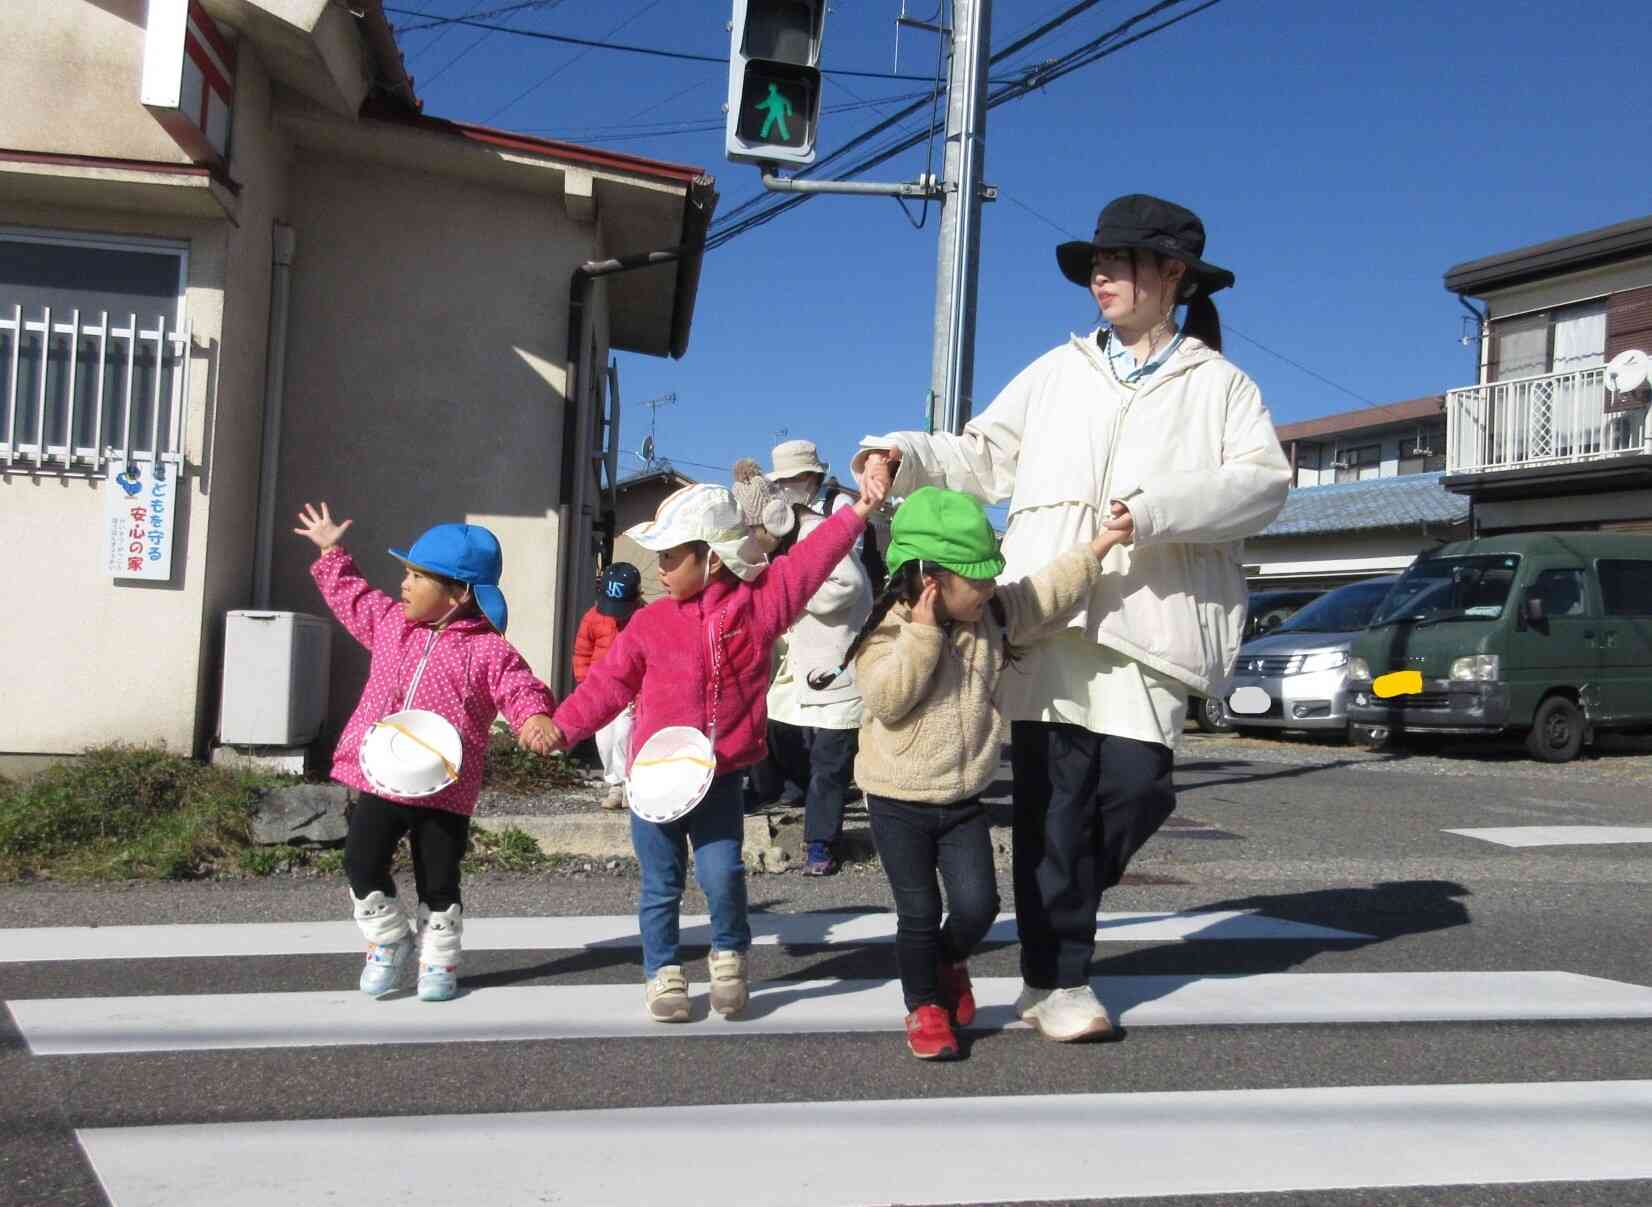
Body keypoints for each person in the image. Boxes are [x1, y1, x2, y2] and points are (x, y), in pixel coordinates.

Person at [853, 194, 1290, 1041]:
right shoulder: (1058, 372)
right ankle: (1059, 978)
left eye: (1122, 260)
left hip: (1149, 621)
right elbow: (980, 455)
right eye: (1097, 260)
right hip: (1046, 611)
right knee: (1053, 806)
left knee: (1138, 789)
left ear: (1174, 276)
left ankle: (1066, 921)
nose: (1101, 274)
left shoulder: (1219, 384)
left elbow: (1263, 483)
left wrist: (1156, 508)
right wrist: (901, 453)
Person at [538, 465, 891, 1022]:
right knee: (661, 883)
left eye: (671, 556)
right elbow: (607, 683)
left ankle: (729, 955)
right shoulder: (649, 623)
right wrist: (563, 726)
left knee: (722, 872)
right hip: (653, 779)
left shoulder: (758, 608)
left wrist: (859, 511)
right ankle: (664, 973)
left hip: (720, 775)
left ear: (712, 556)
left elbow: (809, 561)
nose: (660, 567)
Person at [842, 487, 1132, 1059]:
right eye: (976, 577)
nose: (990, 586)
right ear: (931, 581)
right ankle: (924, 1007)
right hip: (896, 800)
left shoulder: (992, 615)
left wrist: (1102, 543)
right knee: (919, 912)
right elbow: (889, 699)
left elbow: (1047, 593)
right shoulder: (884, 633)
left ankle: (949, 961)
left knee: (979, 907)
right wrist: (924, 635)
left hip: (963, 798)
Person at [295, 502, 559, 1002]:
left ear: (458, 593)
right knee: (360, 860)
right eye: (406, 573)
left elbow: (520, 687)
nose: (405, 584)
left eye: (419, 576)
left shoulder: (489, 651)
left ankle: (439, 959)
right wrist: (331, 551)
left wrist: (535, 718)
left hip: (446, 788)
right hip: (384, 779)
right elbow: (353, 597)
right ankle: (388, 940)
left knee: (439, 878)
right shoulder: (393, 624)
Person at [734, 453, 872, 876]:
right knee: (771, 727)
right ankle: (779, 790)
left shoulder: (819, 529)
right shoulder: (792, 535)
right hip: (804, 659)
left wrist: (791, 590)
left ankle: (821, 844)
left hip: (837, 659)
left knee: (829, 761)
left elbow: (847, 585)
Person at [574, 562, 643, 811]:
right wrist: (584, 682)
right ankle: (613, 781)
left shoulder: (643, 618)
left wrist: (642, 692)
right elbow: (582, 651)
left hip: (629, 692)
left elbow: (649, 658)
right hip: (600, 690)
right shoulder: (592, 618)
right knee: (603, 739)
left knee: (624, 736)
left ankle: (625, 784)